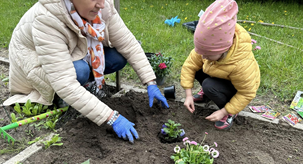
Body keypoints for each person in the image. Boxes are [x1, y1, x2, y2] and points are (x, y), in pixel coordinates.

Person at [3, 0, 169, 143]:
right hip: (37, 66)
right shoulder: (47, 19)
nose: (101, 4)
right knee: (80, 71)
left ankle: (86, 88)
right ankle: (62, 99)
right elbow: (65, 82)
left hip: (76, 52)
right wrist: (111, 117)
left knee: (118, 57)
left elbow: (129, 44)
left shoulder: (102, 7)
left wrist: (150, 82)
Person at [181, 0, 260, 130]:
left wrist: (224, 111)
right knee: (198, 69)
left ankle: (230, 113)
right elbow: (189, 66)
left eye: (207, 54)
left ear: (223, 50)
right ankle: (208, 94)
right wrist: (188, 95)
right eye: (201, 52)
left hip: (237, 88)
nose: (203, 56)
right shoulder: (206, 50)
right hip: (220, 74)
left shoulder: (241, 64)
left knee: (209, 85)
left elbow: (247, 93)